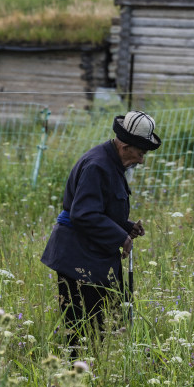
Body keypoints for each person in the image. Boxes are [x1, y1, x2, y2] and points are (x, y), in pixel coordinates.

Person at [41, 110, 161, 349]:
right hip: (78, 258)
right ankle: (76, 375)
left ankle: (98, 371)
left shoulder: (112, 163)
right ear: (125, 146)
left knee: (110, 320)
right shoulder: (98, 165)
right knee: (81, 329)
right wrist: (120, 237)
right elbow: (84, 213)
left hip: (93, 256)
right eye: (140, 153)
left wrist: (126, 227)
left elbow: (100, 209)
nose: (141, 160)